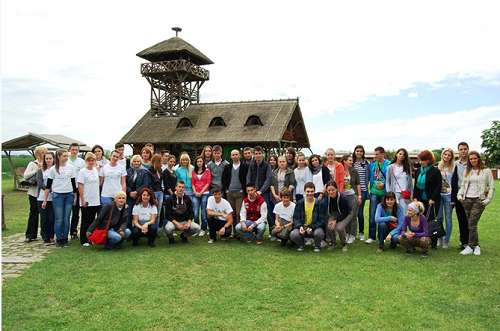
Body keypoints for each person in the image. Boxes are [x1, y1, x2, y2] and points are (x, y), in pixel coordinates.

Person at [457, 151, 495, 256]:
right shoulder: (468, 171)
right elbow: (463, 186)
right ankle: (476, 245)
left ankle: (470, 246)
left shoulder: (486, 171)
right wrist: (459, 196)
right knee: (471, 223)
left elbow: (491, 186)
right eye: (471, 159)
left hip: (479, 200)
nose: (473, 160)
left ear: (479, 159)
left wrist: (487, 200)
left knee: (472, 223)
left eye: (475, 158)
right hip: (467, 200)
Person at [42, 149, 77, 248]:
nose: (66, 158)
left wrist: (75, 196)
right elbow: (48, 186)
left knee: (66, 219)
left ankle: (65, 239)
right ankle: (59, 239)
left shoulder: (71, 168)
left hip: (68, 195)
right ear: (59, 157)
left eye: (67, 156)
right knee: (59, 219)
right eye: (64, 156)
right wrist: (45, 200)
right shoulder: (53, 169)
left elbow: (73, 183)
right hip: (58, 195)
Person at [413, 150, 442, 249]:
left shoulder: (435, 171)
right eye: (420, 160)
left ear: (429, 160)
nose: (421, 162)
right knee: (420, 220)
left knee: (431, 221)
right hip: (420, 200)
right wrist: (415, 197)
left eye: (424, 160)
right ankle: (421, 241)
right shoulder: (418, 171)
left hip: (432, 200)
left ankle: (433, 242)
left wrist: (433, 198)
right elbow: (416, 185)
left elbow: (438, 186)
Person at [290, 182, 325, 252]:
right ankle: (301, 245)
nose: (310, 193)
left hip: (314, 228)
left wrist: (312, 227)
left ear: (314, 191)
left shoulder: (319, 203)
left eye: (312, 191)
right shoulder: (300, 203)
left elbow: (321, 220)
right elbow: (296, 218)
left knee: (319, 233)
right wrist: (300, 227)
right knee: (293, 234)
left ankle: (317, 246)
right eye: (308, 191)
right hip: (303, 227)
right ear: (304, 191)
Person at [246, 146, 273, 232]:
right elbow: (248, 178)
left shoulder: (267, 165)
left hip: (264, 193)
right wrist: (251, 191)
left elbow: (268, 179)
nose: (258, 155)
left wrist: (261, 191)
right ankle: (254, 231)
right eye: (256, 154)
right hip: (253, 193)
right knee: (253, 212)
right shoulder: (251, 166)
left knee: (268, 212)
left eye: (259, 153)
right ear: (254, 154)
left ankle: (272, 232)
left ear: (263, 154)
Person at [222, 149, 249, 238]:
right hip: (230, 193)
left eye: (236, 154)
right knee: (232, 213)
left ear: (239, 155)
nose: (235, 156)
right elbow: (224, 179)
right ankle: (234, 232)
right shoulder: (228, 167)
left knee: (239, 213)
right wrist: (226, 189)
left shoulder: (245, 167)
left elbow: (247, 179)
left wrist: (243, 189)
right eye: (233, 155)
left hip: (240, 193)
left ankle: (239, 232)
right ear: (231, 156)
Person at [366, 146, 390, 244]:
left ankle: (383, 236)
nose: (375, 156)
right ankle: (372, 236)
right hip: (374, 192)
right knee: (372, 214)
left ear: (382, 154)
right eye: (374, 154)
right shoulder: (373, 165)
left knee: (384, 214)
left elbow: (390, 178)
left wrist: (384, 184)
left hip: (384, 194)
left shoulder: (388, 164)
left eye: (377, 154)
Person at [24, 146, 47, 243]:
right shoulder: (33, 164)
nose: (44, 155)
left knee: (46, 215)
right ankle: (30, 234)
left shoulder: (48, 164)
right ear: (37, 154)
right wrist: (36, 169)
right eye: (42, 153)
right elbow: (26, 175)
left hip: (44, 193)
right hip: (34, 192)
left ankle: (45, 234)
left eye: (45, 153)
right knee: (33, 213)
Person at [77, 153, 101, 247]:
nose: (91, 162)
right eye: (89, 160)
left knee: (93, 221)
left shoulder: (95, 170)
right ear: (86, 161)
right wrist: (83, 199)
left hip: (95, 199)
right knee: (85, 220)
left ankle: (91, 237)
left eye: (92, 160)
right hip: (86, 199)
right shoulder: (82, 172)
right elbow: (80, 186)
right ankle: (83, 239)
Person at [269, 155, 296, 239]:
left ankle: (287, 233)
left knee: (287, 215)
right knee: (277, 215)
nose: (281, 163)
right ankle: (277, 232)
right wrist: (274, 195)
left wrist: (285, 195)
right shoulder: (274, 172)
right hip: (276, 196)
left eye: (283, 161)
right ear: (278, 163)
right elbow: (272, 185)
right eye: (280, 162)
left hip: (286, 197)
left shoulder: (290, 172)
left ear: (286, 162)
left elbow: (292, 184)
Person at [322, 181, 352, 252]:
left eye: (333, 190)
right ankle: (333, 243)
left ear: (336, 189)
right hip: (335, 212)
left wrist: (337, 221)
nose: (331, 192)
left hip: (347, 213)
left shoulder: (343, 198)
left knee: (340, 228)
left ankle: (344, 243)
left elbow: (347, 211)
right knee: (329, 227)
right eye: (329, 190)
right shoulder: (327, 197)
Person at [451, 142, 470, 250]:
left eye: (465, 149)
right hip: (459, 195)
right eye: (461, 149)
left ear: (468, 150)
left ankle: (472, 242)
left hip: (471, 195)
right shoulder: (456, 164)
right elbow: (454, 181)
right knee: (461, 219)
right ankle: (463, 242)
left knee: (470, 220)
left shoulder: (472, 162)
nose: (463, 151)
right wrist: (453, 198)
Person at [341, 155, 362, 244]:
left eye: (351, 160)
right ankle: (347, 234)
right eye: (349, 160)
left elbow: (358, 184)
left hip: (353, 195)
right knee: (346, 215)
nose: (351, 162)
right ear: (344, 161)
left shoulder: (354, 171)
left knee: (353, 216)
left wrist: (359, 196)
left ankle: (353, 234)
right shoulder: (340, 170)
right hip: (344, 196)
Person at [437, 148, 455, 248]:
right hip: (439, 196)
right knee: (440, 218)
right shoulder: (438, 167)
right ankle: (440, 238)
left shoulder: (454, 168)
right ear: (442, 155)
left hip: (449, 196)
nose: (446, 157)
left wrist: (454, 198)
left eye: (449, 155)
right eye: (445, 154)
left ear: (451, 156)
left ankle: (446, 240)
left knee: (448, 219)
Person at [386, 148, 414, 214]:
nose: (401, 156)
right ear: (396, 154)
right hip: (395, 192)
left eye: (403, 155)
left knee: (403, 213)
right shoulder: (390, 167)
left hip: (404, 193)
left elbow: (410, 182)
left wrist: (412, 194)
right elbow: (387, 181)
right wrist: (389, 192)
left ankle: (402, 224)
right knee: (395, 212)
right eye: (400, 154)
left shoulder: (407, 167)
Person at [67, 143, 86, 240]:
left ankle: (74, 231)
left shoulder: (81, 162)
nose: (74, 151)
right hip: (68, 189)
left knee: (76, 212)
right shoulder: (66, 160)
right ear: (69, 150)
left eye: (76, 150)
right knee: (67, 213)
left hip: (79, 189)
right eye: (73, 149)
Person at [36, 151, 55, 245]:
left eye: (50, 158)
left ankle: (51, 236)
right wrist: (48, 189)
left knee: (51, 218)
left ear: (53, 159)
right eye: (46, 158)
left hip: (53, 198)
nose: (48, 160)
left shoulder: (56, 169)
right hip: (42, 197)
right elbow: (39, 183)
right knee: (44, 218)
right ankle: (45, 237)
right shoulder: (41, 170)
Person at [352, 145, 370, 241]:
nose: (359, 153)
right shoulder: (352, 163)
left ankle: (361, 232)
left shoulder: (366, 163)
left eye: (361, 151)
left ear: (363, 153)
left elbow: (369, 176)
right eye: (357, 151)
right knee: (352, 213)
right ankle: (352, 232)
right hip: (352, 191)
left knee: (360, 213)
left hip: (362, 190)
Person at [126, 155, 150, 225]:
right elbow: (124, 183)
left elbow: (145, 184)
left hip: (139, 196)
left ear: (140, 162)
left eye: (138, 161)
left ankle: (139, 230)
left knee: (139, 215)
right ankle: (129, 230)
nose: (136, 163)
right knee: (129, 214)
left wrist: (136, 192)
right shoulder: (127, 171)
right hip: (129, 196)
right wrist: (130, 192)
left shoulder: (144, 172)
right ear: (132, 162)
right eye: (134, 161)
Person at [192, 156, 212, 236]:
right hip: (195, 193)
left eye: (200, 161)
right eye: (198, 162)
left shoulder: (207, 171)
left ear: (203, 162)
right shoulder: (194, 171)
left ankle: (203, 228)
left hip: (205, 193)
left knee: (204, 213)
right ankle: (197, 228)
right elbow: (192, 183)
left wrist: (201, 192)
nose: (199, 163)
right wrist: (195, 192)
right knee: (196, 213)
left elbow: (208, 182)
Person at [149, 154, 164, 232]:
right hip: (153, 193)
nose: (162, 162)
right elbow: (150, 184)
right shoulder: (150, 171)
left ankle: (157, 229)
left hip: (160, 193)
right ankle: (152, 229)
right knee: (153, 212)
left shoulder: (160, 170)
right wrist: (153, 196)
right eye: (160, 160)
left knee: (158, 213)